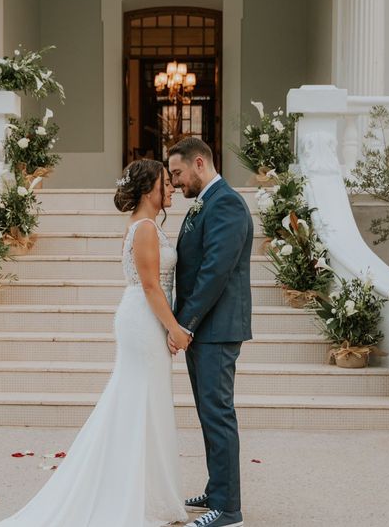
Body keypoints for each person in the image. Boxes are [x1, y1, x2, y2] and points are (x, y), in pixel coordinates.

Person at [0, 159, 189, 527]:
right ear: (150, 190)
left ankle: (148, 493)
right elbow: (150, 286)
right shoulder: (145, 228)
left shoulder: (146, 225)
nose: (173, 188)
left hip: (146, 317)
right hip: (144, 319)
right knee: (137, 402)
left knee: (145, 402)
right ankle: (129, 496)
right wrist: (175, 328)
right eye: (167, 182)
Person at [168, 137, 253, 527]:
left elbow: (215, 271)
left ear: (199, 163)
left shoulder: (227, 204)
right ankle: (217, 490)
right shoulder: (204, 204)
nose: (174, 184)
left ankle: (229, 510)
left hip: (215, 329)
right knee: (208, 413)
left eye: (178, 174)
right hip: (203, 330)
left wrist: (185, 323)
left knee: (218, 414)